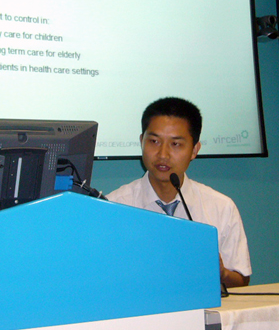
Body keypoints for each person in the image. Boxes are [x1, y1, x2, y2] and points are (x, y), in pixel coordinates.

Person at [107, 97, 251, 288]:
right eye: (154, 141)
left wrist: (221, 272)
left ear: (194, 150)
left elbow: (241, 280)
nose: (163, 154)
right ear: (141, 142)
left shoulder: (221, 206)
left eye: (175, 144)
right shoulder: (113, 207)